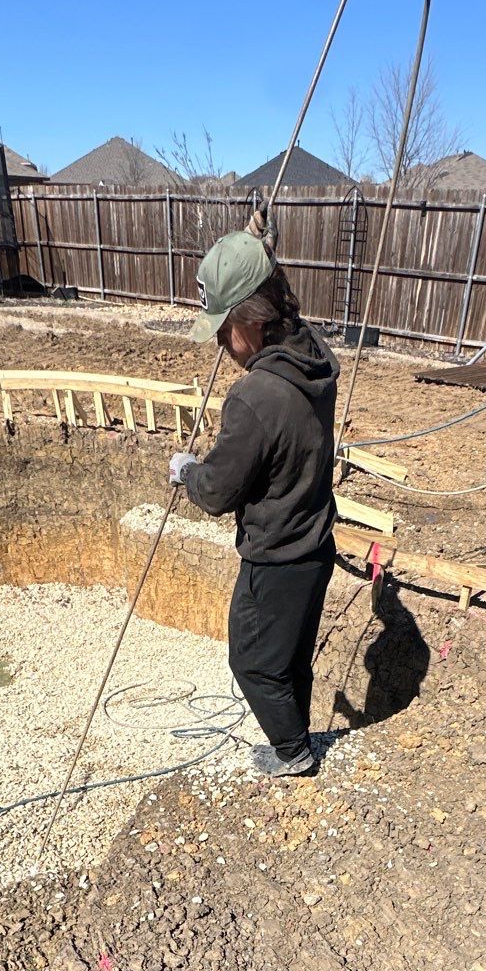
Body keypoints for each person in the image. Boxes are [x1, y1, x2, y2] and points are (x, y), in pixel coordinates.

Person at [170, 229, 339, 779]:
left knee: (252, 661)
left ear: (253, 317)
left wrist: (187, 471)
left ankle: (292, 752)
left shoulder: (255, 397)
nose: (221, 342)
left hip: (277, 553)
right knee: (290, 658)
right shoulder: (315, 357)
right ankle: (299, 737)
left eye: (224, 329)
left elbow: (218, 491)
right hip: (316, 543)